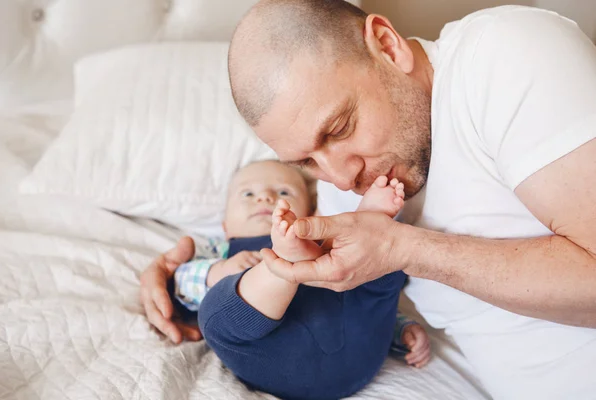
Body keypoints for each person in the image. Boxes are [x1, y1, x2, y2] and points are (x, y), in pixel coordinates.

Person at [141, 1, 596, 398]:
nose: (341, 177)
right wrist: (181, 270)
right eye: (307, 163)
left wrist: (407, 249)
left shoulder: (505, 55)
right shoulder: (346, 201)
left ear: (387, 43)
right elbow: (276, 252)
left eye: (339, 128)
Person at [171, 159, 430, 399]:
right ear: (225, 224)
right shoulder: (220, 251)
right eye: (248, 194)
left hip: (358, 352)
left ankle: (368, 225)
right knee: (214, 314)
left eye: (284, 193)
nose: (266, 197)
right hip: (280, 359)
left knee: (367, 268)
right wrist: (219, 271)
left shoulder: (320, 241)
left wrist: (401, 329)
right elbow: (181, 284)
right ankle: (283, 266)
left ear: (311, 211)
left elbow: (369, 308)